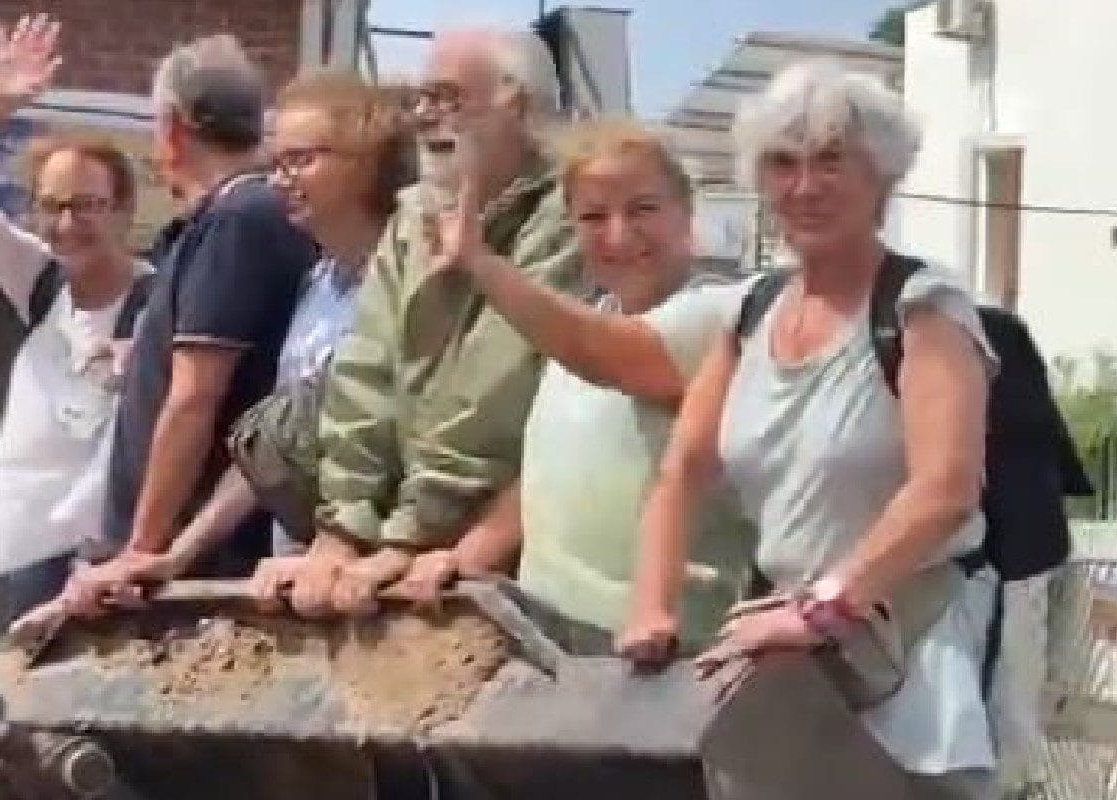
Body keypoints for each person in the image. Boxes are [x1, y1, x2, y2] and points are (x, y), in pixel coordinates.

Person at [618, 60, 1000, 798]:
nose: (806, 186)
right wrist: (651, 605)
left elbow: (946, 492)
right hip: (791, 668)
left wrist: (822, 608)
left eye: (832, 161)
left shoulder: (924, 308)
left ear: (881, 177)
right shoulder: (753, 312)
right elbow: (682, 470)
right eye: (783, 164)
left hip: (908, 674)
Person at [251, 28, 584, 618]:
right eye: (420, 100)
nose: (428, 117)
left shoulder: (568, 215)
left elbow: (490, 394)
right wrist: (344, 527)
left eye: (447, 97)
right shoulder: (414, 215)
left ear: (519, 104)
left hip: (507, 550)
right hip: (410, 542)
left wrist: (407, 538)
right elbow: (364, 372)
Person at [385, 118, 751, 649]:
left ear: (686, 212)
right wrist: (464, 558)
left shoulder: (725, 316)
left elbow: (604, 353)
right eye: (593, 216)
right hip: (550, 645)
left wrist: (481, 264)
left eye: (643, 209)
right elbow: (545, 474)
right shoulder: (573, 341)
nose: (619, 235)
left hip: (667, 652)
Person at [57, 73, 413, 591]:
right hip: (293, 567)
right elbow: (271, 448)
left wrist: (344, 548)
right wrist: (174, 556)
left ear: (365, 166)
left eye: (301, 160)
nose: (279, 180)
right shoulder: (319, 284)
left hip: (359, 579)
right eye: (278, 162)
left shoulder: (407, 286)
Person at [63, 33, 316, 609]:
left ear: (173, 127)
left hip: (191, 569)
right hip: (187, 557)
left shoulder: (238, 220)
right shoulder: (234, 217)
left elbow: (196, 396)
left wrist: (140, 548)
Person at [0, 15, 152, 612]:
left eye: (87, 206)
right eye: (52, 207)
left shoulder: (161, 301)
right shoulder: (37, 279)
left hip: (74, 569)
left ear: (122, 211)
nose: (67, 225)